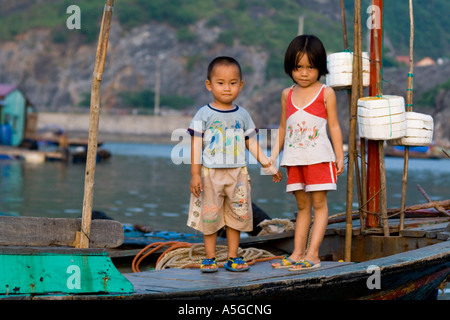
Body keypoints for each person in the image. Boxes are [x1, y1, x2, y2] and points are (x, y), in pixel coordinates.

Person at [187, 56, 281, 273]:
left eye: (232, 83)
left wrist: (268, 165)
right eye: (220, 83)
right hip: (210, 174)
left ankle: (232, 257)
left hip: (238, 174)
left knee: (237, 216)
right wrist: (195, 174)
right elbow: (195, 145)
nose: (227, 89)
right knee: (210, 216)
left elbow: (251, 143)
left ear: (241, 85)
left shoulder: (243, 115)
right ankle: (209, 258)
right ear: (209, 85)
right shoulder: (204, 113)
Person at [270, 35, 345, 271]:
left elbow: (334, 125)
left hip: (320, 159)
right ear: (290, 68)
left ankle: (312, 255)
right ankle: (297, 253)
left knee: (319, 205)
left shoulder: (326, 93)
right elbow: (283, 127)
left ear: (320, 67)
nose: (304, 73)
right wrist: (273, 157)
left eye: (310, 67)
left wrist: (339, 156)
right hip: (294, 159)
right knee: (303, 207)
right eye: (298, 67)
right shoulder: (287, 94)